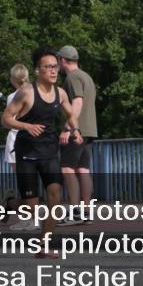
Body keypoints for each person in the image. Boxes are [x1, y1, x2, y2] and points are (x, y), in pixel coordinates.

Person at [2, 47, 82, 256]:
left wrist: (75, 129)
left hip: (49, 152)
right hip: (27, 153)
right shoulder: (27, 92)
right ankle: (12, 204)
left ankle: (43, 246)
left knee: (55, 198)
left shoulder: (60, 93)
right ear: (38, 70)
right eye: (48, 67)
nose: (54, 71)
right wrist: (27, 126)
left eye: (55, 67)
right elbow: (6, 119)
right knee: (32, 208)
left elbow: (71, 114)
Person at [58, 46, 97, 220]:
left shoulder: (72, 78)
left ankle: (74, 211)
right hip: (89, 129)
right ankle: (86, 210)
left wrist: (68, 127)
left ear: (63, 60)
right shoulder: (86, 76)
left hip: (77, 130)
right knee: (83, 168)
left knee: (67, 168)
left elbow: (77, 103)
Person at [4, 65, 38, 231]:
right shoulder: (36, 92)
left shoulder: (14, 96)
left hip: (17, 137)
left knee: (23, 180)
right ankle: (29, 216)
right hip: (33, 137)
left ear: (13, 79)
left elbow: (8, 119)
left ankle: (28, 218)